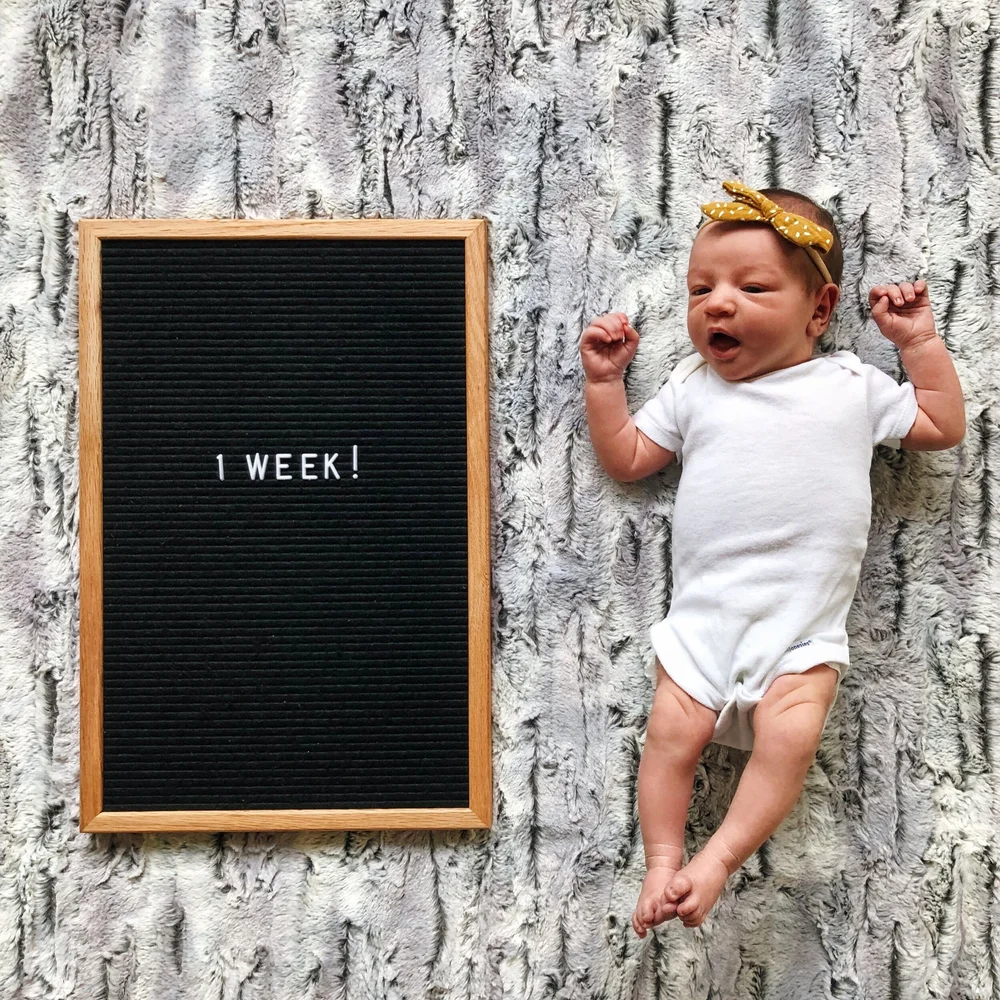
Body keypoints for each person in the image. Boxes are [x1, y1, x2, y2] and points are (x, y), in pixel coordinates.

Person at [580, 180, 966, 935]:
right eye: (700, 289)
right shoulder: (692, 388)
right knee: (669, 734)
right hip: (704, 623)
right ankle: (662, 860)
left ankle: (718, 857)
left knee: (790, 736)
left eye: (751, 288)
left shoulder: (851, 386)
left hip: (801, 632)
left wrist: (917, 343)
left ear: (820, 311)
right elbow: (627, 458)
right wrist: (604, 384)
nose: (717, 305)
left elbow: (941, 423)